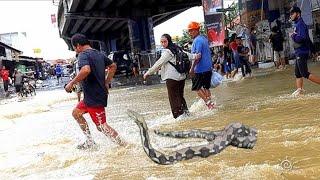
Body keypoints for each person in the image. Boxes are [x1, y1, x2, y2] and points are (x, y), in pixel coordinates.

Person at [65, 33, 126, 149]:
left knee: (101, 126)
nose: (76, 51)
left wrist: (71, 83)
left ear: (78, 46)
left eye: (74, 48)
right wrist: (106, 82)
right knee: (76, 113)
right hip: (90, 97)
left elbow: (86, 70)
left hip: (95, 95)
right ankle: (90, 141)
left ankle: (125, 146)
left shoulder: (82, 55)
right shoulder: (99, 54)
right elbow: (113, 66)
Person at [143, 34, 198, 118]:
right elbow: (188, 55)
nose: (163, 44)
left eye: (164, 41)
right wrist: (196, 56)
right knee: (180, 97)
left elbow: (158, 63)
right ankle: (186, 114)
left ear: (168, 41)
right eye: (161, 42)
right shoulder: (178, 49)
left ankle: (178, 117)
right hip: (181, 77)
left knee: (173, 99)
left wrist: (148, 73)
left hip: (171, 79)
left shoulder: (167, 52)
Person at [290, 6, 320, 96]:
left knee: (304, 73)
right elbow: (308, 39)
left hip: (301, 52)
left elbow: (302, 38)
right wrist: (314, 51)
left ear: (298, 14)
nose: (290, 15)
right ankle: (300, 90)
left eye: (292, 13)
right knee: (297, 73)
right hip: (298, 51)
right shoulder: (298, 24)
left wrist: (293, 36)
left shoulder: (300, 24)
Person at [188, 22, 215, 109]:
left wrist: (192, 69)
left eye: (191, 31)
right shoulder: (204, 39)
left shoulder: (197, 40)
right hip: (208, 68)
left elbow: (198, 56)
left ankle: (208, 103)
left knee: (197, 88)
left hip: (199, 69)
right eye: (189, 31)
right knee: (206, 87)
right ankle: (211, 104)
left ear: (197, 30)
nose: (190, 33)